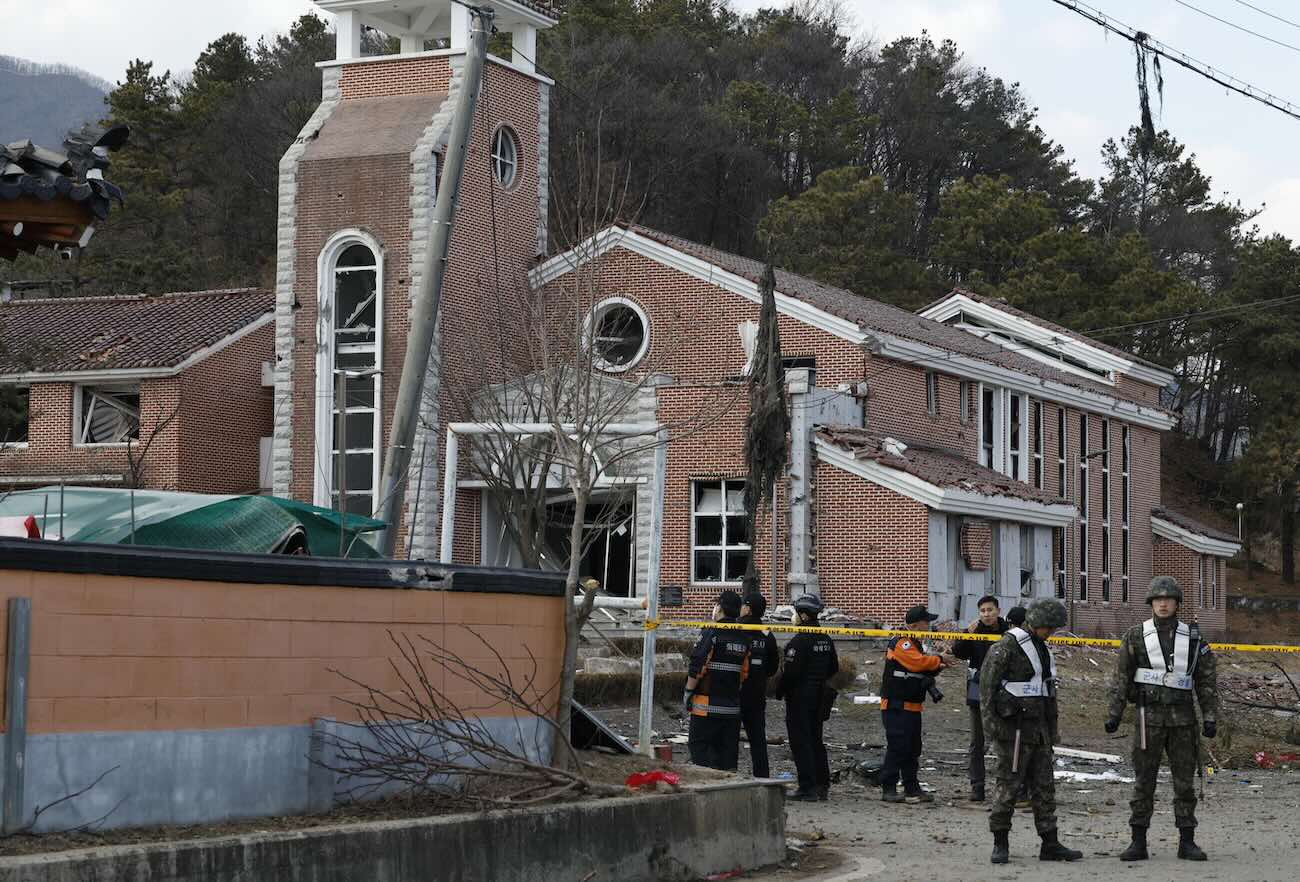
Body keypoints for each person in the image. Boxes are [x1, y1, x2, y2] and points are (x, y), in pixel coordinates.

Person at [1105, 576, 1218, 862]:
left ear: (1177, 603)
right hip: (1148, 720)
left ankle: (1187, 840)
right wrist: (1114, 714)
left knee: (1184, 783)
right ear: (1151, 603)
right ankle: (1138, 840)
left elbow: (1206, 680)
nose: (1163, 604)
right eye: (1158, 599)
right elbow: (1121, 678)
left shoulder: (1193, 638)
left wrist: (1210, 716)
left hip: (1183, 721)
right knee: (1144, 782)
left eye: (1168, 599)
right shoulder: (1135, 636)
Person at [981, 598, 1083, 864]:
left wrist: (1052, 730)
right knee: (1008, 786)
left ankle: (1050, 843)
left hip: (1038, 730)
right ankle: (1000, 843)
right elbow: (987, 692)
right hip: (1012, 731)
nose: (1050, 632)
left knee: (1044, 788)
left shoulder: (1042, 649)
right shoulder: (1006, 648)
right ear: (1036, 622)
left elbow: (1048, 692)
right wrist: (992, 730)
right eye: (1048, 626)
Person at [879, 604, 957, 804]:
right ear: (915, 625)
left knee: (913, 749)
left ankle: (911, 788)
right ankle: (888, 787)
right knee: (898, 747)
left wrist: (940, 665)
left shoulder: (915, 643)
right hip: (897, 706)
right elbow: (918, 663)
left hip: (912, 706)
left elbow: (922, 669)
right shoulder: (901, 643)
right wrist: (939, 658)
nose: (929, 625)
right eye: (926, 622)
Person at [774, 593, 838, 801]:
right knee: (816, 741)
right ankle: (822, 785)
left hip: (800, 699)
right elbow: (833, 668)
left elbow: (790, 673)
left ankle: (807, 787)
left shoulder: (798, 642)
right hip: (820, 697)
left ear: (803, 615)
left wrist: (780, 690)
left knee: (801, 743)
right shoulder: (826, 640)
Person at [684, 590, 751, 771]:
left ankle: (706, 787)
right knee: (727, 757)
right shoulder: (743, 636)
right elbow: (744, 673)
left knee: (700, 750)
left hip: (706, 707)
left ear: (719, 608)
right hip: (731, 709)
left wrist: (688, 692)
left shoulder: (711, 632)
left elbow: (697, 665)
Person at [953, 594, 1009, 802]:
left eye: (990, 610)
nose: (986, 614)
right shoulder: (974, 632)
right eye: (983, 611)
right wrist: (966, 633)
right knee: (977, 743)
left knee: (1005, 742)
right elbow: (958, 652)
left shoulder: (1008, 632)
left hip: (1004, 695)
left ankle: (1006, 787)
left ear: (998, 611)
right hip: (977, 693)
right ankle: (977, 787)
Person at [739, 592, 781, 778]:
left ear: (748, 608)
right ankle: (762, 776)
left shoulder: (735, 629)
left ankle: (728, 772)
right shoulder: (767, 634)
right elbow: (773, 668)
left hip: (735, 692)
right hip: (757, 693)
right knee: (758, 738)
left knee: (729, 736)